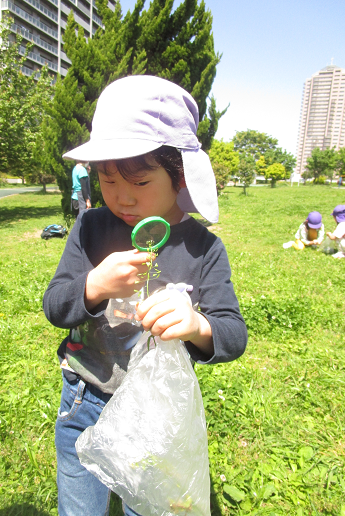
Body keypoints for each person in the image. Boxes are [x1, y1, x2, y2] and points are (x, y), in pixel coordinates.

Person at [43, 75, 248, 516]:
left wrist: (196, 324)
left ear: (179, 177)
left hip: (154, 413)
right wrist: (95, 285)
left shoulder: (203, 249)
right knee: (79, 505)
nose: (121, 198)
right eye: (107, 180)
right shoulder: (91, 228)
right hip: (86, 396)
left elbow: (232, 334)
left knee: (149, 506)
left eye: (138, 184)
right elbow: (56, 304)